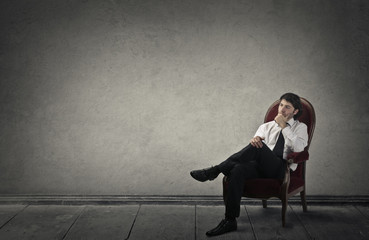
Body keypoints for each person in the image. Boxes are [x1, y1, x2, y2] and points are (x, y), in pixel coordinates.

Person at [190, 93, 308, 237]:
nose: (282, 110)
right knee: (238, 169)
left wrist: (284, 127)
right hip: (260, 166)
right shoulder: (266, 126)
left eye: (287, 107)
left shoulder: (300, 127)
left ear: (295, 111)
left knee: (257, 148)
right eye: (281, 105)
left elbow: (299, 148)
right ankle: (230, 220)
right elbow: (254, 147)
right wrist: (255, 140)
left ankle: (215, 170)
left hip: (280, 169)